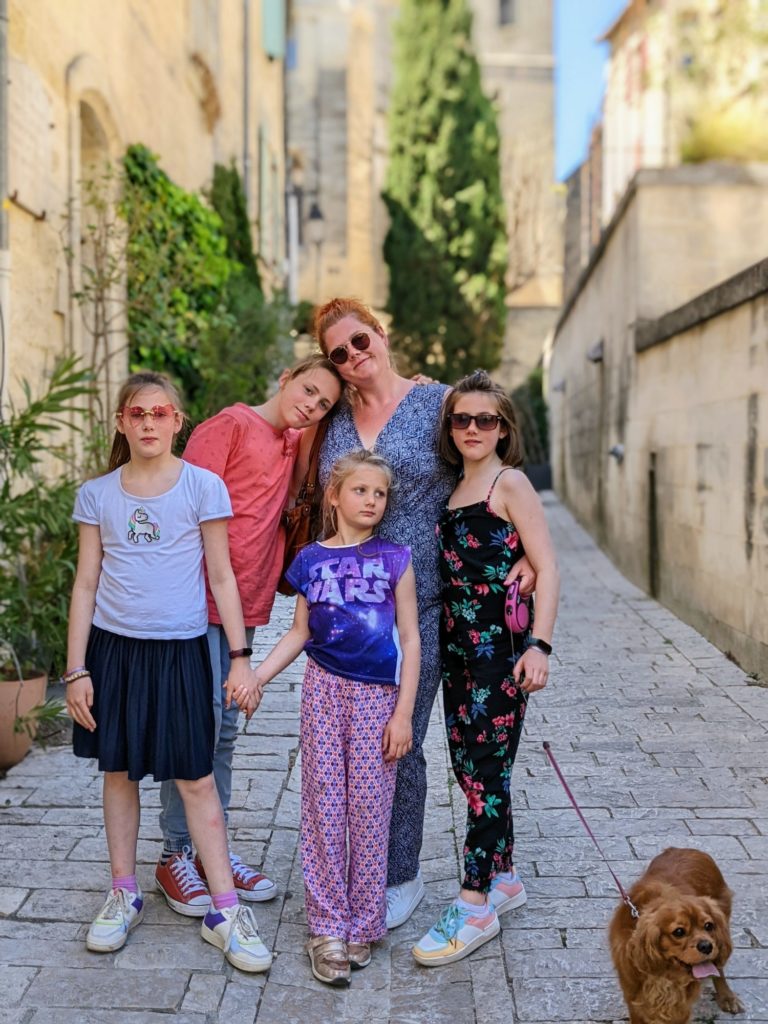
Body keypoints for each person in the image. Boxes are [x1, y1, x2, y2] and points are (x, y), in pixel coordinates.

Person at [310, 297, 536, 929]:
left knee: (399, 743)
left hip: (430, 604)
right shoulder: (332, 420)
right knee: (351, 746)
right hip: (348, 615)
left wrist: (529, 559)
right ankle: (354, 863)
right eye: (339, 353)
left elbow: (491, 470)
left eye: (360, 341)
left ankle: (397, 874)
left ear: (380, 334)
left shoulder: (436, 404)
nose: (355, 357)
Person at [65, 371, 272, 972]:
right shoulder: (98, 494)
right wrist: (76, 669)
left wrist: (239, 657)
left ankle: (225, 910)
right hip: (114, 651)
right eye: (137, 413)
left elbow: (222, 577)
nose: (149, 422)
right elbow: (84, 583)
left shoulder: (203, 487)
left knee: (196, 774)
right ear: (122, 423)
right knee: (120, 769)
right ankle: (123, 891)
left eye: (160, 412)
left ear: (178, 421)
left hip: (181, 649)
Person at [155, 354, 343, 915]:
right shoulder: (231, 426)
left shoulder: (291, 442)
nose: (310, 405)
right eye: (307, 391)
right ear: (285, 378)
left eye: (322, 404)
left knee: (225, 731)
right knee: (198, 727)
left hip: (246, 606)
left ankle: (216, 847)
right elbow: (176, 503)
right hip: (197, 604)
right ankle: (176, 854)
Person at [233, 450, 420, 986]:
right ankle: (326, 926)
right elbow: (299, 632)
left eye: (380, 494)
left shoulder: (395, 559)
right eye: (361, 491)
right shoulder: (312, 560)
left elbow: (410, 639)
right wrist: (257, 677)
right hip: (323, 692)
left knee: (368, 807)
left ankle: (365, 921)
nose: (371, 501)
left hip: (378, 698)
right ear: (334, 495)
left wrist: (403, 713)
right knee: (323, 806)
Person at [412, 370, 560, 966]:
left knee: (486, 773)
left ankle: (473, 902)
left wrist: (539, 647)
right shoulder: (455, 484)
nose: (472, 428)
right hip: (457, 651)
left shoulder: (510, 482)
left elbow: (548, 568)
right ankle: (505, 878)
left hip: (500, 652)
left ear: (504, 428)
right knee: (473, 767)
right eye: (461, 418)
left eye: (486, 419)